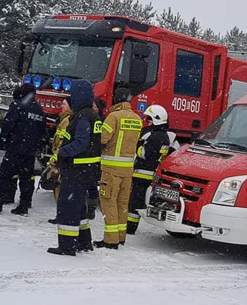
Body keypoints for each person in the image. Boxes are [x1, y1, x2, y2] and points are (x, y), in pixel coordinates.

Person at [48, 79, 102, 256]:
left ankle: (67, 246)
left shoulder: (83, 116)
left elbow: (81, 143)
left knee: (68, 206)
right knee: (79, 207)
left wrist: (62, 152)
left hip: (77, 169)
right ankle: (83, 242)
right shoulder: (93, 115)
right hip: (87, 169)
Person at [0, 84, 46, 215]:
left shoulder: (18, 106)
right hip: (30, 150)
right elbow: (42, 132)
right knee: (26, 178)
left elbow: (8, 125)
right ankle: (24, 205)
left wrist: (4, 143)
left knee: (4, 176)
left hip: (16, 148)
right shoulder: (39, 109)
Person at [95, 88, 142, 249]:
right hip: (127, 170)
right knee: (123, 204)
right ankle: (121, 237)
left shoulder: (113, 117)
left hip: (110, 170)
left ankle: (110, 240)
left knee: (109, 203)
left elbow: (101, 139)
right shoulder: (137, 119)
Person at [128, 105, 177, 235]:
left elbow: (144, 154)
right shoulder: (165, 135)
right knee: (137, 201)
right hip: (150, 174)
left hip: (143, 174)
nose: (147, 122)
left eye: (149, 119)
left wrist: (138, 144)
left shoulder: (155, 136)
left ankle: (130, 227)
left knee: (135, 202)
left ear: (156, 119)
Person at [46, 97, 73, 224]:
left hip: (61, 160)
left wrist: (55, 159)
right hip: (62, 159)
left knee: (60, 189)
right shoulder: (64, 119)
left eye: (64, 104)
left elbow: (61, 143)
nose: (61, 106)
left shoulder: (67, 121)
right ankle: (62, 215)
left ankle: (62, 216)